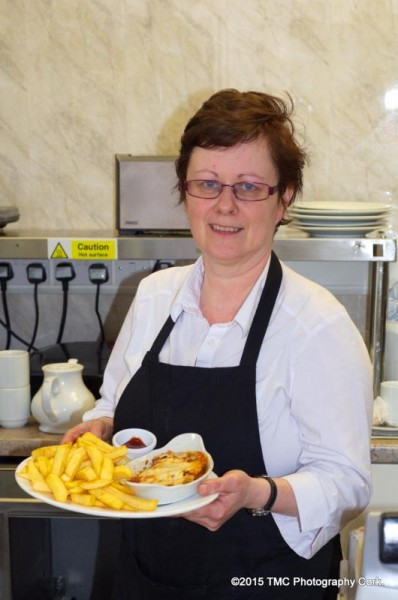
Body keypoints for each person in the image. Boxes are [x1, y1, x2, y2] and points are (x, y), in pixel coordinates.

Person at [63, 89, 373, 599]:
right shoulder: (153, 296)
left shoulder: (317, 324)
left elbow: (348, 483)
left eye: (249, 186)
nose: (224, 205)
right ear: (184, 191)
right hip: (147, 577)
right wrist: (100, 427)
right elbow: (115, 404)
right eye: (207, 184)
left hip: (267, 582)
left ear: (285, 197)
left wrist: (258, 493)